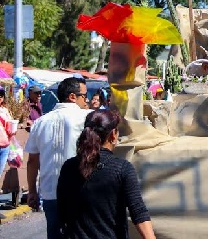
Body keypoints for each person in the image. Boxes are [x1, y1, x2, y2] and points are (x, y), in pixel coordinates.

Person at [57, 110, 155, 239]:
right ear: (113, 135)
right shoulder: (122, 168)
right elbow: (138, 212)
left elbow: (62, 211)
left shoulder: (68, 167)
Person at [24, 77, 92, 239]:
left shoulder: (40, 123)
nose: (87, 99)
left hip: (49, 192)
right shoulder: (88, 118)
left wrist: (32, 191)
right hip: (81, 191)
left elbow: (32, 161)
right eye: (84, 95)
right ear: (72, 97)